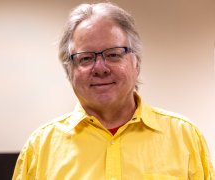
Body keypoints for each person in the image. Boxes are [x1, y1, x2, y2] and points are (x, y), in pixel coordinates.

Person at [12, 2, 214, 179]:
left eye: (113, 54)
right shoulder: (40, 148)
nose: (100, 68)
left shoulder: (185, 137)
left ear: (137, 63)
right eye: (86, 58)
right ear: (69, 70)